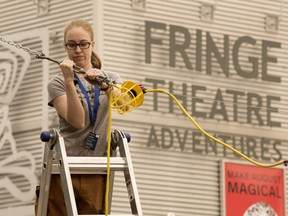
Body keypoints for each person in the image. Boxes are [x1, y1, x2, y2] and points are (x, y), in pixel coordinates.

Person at [35, 19, 124, 215]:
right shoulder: (57, 83)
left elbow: (124, 102)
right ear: (65, 47)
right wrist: (69, 80)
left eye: (83, 44)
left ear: (92, 45)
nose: (78, 50)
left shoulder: (110, 77)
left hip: (96, 169)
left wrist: (105, 86)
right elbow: (77, 121)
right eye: (72, 45)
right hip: (63, 168)